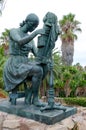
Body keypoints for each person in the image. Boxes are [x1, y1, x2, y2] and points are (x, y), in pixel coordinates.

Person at [3, 13, 44, 106]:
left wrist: (46, 48)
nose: (34, 28)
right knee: (38, 70)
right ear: (26, 22)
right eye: (32, 25)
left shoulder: (32, 40)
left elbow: (37, 54)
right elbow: (20, 41)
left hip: (25, 63)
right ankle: (35, 99)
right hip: (14, 64)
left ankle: (30, 96)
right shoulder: (14, 31)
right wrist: (35, 33)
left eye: (36, 26)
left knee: (43, 68)